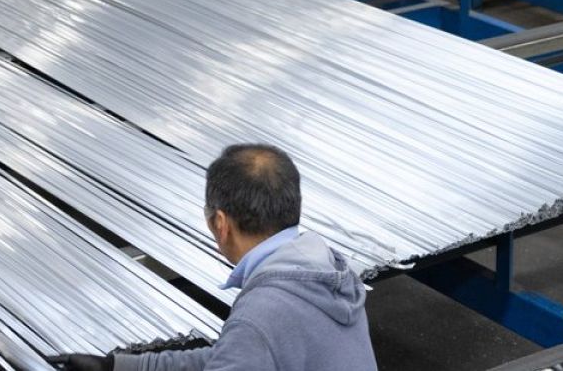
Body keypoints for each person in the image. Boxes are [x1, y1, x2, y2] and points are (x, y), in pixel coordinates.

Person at [48, 143, 377, 371]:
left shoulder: (262, 315)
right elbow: (231, 355)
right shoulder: (327, 273)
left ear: (221, 223)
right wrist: (118, 367)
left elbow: (244, 346)